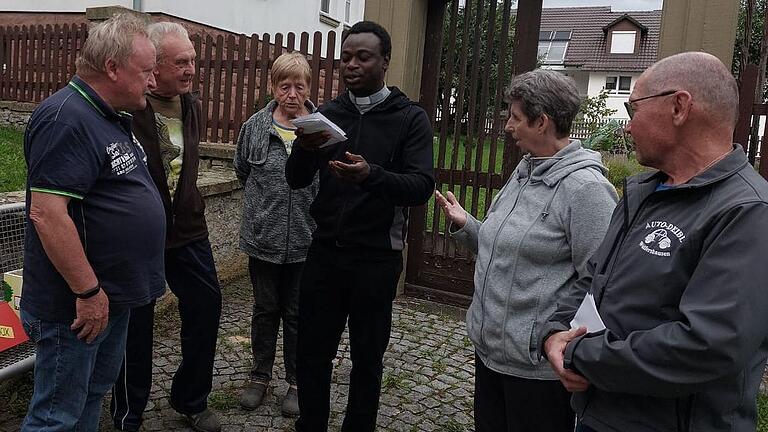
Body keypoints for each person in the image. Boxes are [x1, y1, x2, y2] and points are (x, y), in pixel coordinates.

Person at [541, 52, 768, 432]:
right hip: (599, 413)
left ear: (679, 107)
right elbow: (593, 278)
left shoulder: (748, 211)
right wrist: (554, 333)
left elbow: (707, 345)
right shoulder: (645, 192)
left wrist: (582, 354)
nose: (627, 127)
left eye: (633, 109)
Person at [435, 69, 617, 432]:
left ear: (541, 122)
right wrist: (467, 225)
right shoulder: (526, 170)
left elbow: (601, 283)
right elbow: (508, 248)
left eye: (515, 118)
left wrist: (560, 347)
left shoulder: (587, 191)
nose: (507, 126)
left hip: (538, 373)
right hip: (492, 356)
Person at [286, 20, 434, 432]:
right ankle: (310, 424)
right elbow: (296, 180)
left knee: (367, 359)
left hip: (376, 258)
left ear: (384, 62)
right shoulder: (329, 115)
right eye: (346, 57)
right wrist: (302, 147)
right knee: (312, 353)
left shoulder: (409, 119)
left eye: (362, 57)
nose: (351, 65)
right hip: (325, 254)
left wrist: (371, 176)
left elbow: (421, 186)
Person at [19, 14, 165, 432]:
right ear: (113, 68)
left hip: (109, 298)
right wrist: (88, 291)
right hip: (76, 306)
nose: (153, 81)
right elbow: (48, 214)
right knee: (55, 417)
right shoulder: (65, 117)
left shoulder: (107, 114)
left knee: (92, 395)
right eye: (147, 71)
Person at [109, 22, 222, 432]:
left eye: (193, 60)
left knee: (207, 306)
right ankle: (129, 413)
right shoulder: (130, 108)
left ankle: (191, 398)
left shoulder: (192, 105)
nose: (191, 69)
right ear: (154, 65)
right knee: (136, 325)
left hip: (188, 229)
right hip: (140, 236)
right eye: (181, 62)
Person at [234, 51, 318, 417]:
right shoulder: (254, 127)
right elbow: (241, 172)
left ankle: (298, 383)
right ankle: (259, 376)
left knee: (298, 313)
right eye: (284, 86)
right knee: (265, 309)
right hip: (263, 240)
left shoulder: (319, 128)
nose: (291, 93)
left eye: (299, 86)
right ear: (272, 87)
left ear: (308, 88)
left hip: (305, 240)